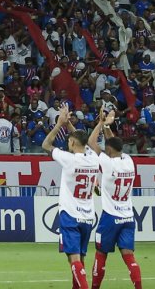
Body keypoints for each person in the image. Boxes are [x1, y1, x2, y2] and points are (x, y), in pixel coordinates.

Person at [44, 103, 99, 289]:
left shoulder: (68, 159)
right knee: (80, 260)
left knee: (73, 259)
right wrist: (70, 125)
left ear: (73, 143)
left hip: (70, 215)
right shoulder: (94, 159)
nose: (68, 142)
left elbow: (46, 144)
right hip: (88, 216)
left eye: (69, 141)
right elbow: (82, 141)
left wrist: (60, 123)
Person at [86, 111, 142, 289]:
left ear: (108, 150)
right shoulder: (129, 161)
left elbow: (91, 143)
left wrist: (101, 123)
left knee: (101, 254)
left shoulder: (107, 163)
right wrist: (108, 126)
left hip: (110, 217)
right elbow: (113, 143)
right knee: (129, 256)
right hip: (127, 217)